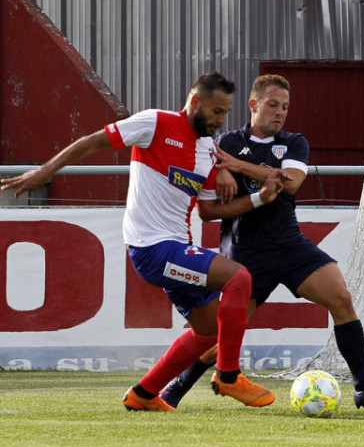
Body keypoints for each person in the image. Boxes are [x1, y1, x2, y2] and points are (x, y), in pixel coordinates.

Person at [0, 71, 291, 411]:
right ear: (195, 102)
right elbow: (92, 141)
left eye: (225, 112)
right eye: (215, 111)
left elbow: (210, 212)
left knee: (210, 331)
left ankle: (144, 394)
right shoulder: (154, 123)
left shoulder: (208, 149)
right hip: (152, 248)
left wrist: (261, 198)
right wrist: (46, 171)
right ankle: (228, 376)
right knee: (239, 278)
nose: (220, 120)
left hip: (176, 248)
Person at [158, 74, 364, 411]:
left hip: (289, 246)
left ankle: (363, 387)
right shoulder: (223, 142)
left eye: (285, 107)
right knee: (218, 333)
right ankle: (174, 390)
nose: (280, 113)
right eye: (273, 105)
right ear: (253, 105)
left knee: (341, 298)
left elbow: (292, 182)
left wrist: (234, 165)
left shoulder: (293, 142)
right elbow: (208, 197)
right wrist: (221, 168)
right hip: (243, 253)